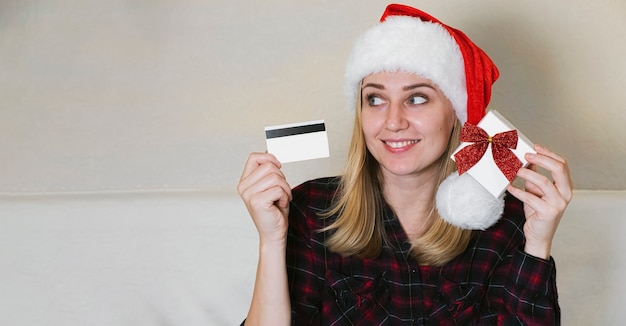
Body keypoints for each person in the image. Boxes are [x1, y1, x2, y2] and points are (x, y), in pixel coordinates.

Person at [237, 4, 573, 325]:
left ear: (456, 114)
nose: (393, 121)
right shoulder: (312, 210)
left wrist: (537, 245)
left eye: (416, 98)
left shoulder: (507, 220)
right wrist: (271, 239)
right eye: (376, 99)